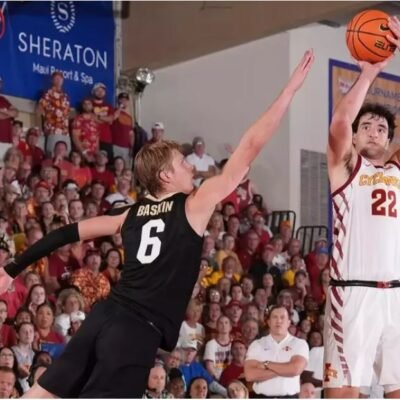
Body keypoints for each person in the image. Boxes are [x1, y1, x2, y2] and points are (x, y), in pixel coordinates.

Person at [0, 50, 313, 397]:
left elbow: (66, 232)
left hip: (104, 317)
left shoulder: (129, 214)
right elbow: (251, 145)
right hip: (135, 331)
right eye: (183, 163)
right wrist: (288, 92)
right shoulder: (193, 206)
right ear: (165, 175)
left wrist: (12, 269)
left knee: (39, 395)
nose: (191, 166)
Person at [325, 21, 400, 398]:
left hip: (396, 295)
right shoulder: (346, 168)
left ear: (389, 140)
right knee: (345, 393)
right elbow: (340, 121)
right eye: (366, 125)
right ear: (355, 137)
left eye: (382, 128)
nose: (374, 131)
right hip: (353, 294)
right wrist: (370, 73)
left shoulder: (396, 170)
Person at [244, 305, 309, 398]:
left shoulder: (299, 344)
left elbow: (295, 370)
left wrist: (266, 364)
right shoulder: (257, 344)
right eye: (275, 317)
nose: (279, 321)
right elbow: (250, 375)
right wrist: (286, 369)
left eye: (282, 317)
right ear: (269, 322)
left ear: (289, 322)